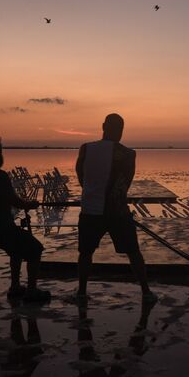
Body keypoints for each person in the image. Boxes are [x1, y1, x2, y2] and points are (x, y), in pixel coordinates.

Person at [75, 113, 157, 304]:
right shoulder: (129, 154)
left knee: (85, 253)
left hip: (90, 210)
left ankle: (81, 292)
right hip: (117, 211)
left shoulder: (85, 149)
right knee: (133, 251)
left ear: (103, 126)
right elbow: (124, 184)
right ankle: (146, 291)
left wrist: (94, 194)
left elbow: (81, 177)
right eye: (120, 129)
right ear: (119, 130)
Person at [0, 134, 50, 302]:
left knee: (16, 249)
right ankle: (32, 291)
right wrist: (29, 205)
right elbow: (14, 201)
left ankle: (15, 287)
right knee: (35, 249)